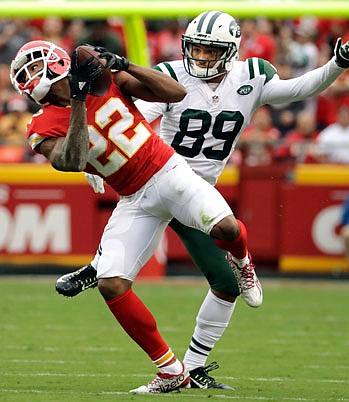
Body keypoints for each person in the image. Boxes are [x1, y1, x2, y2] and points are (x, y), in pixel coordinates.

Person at [55, 10, 349, 389]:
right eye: (197, 49)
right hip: (158, 178)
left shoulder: (251, 76)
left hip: (198, 191)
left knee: (226, 283)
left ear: (232, 50)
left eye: (211, 50)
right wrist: (96, 156)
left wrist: (338, 63)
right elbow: (127, 118)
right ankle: (103, 266)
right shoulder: (171, 75)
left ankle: (193, 365)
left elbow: (298, 89)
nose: (202, 57)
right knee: (134, 263)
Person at [10, 38, 261, 393]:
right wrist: (79, 101)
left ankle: (242, 261)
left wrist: (123, 64)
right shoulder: (42, 124)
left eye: (34, 66)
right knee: (111, 283)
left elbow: (175, 94)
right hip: (133, 198)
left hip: (168, 171)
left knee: (227, 226)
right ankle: (171, 371)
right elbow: (71, 160)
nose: (29, 76)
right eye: (25, 72)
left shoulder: (105, 78)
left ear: (55, 61)